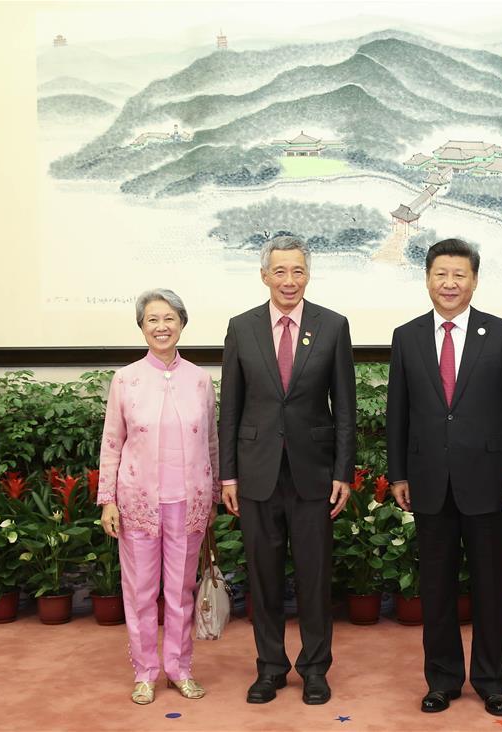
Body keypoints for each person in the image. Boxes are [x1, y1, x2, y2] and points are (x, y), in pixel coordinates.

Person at [386, 238, 502, 717]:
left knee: (491, 588)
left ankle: (493, 680)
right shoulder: (406, 336)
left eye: (460, 275)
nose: (449, 283)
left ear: (474, 280)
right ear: (427, 278)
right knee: (436, 588)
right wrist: (398, 474)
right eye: (441, 274)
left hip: (490, 480)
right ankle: (443, 680)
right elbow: (398, 415)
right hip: (429, 479)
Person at [219, 235, 355, 706]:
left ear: (308, 274)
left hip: (314, 474)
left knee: (316, 579)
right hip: (256, 474)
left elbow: (345, 407)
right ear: (264, 276)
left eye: (297, 271)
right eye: (280, 271)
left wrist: (343, 472)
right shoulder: (241, 327)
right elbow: (230, 409)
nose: (289, 280)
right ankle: (270, 668)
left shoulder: (333, 326)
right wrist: (228, 475)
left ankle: (315, 669)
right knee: (263, 577)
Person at [97, 289, 220, 705]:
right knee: (141, 592)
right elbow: (111, 443)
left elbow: (213, 443)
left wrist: (215, 494)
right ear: (142, 327)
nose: (161, 326)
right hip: (137, 505)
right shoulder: (125, 379)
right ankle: (146, 672)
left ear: (182, 323)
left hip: (189, 504)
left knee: (181, 592)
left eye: (169, 318)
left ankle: (180, 669)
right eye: (152, 319)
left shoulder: (201, 380)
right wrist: (107, 500)